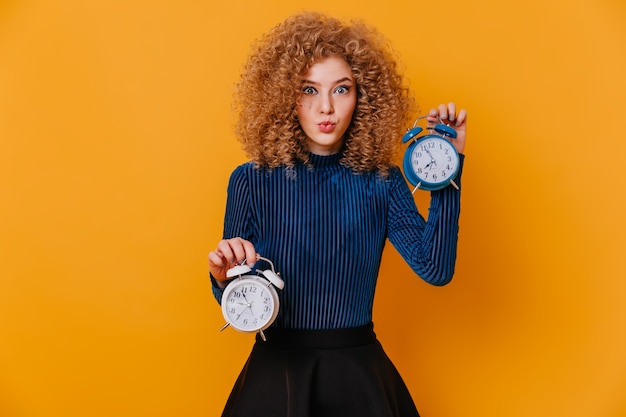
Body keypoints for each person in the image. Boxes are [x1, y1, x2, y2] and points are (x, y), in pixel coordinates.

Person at [208, 11, 467, 417]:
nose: (325, 107)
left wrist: (446, 170)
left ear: (362, 97)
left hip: (358, 378)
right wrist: (223, 279)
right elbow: (243, 295)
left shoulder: (382, 182)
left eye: (341, 89)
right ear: (285, 96)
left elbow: (435, 268)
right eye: (309, 90)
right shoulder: (250, 181)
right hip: (278, 379)